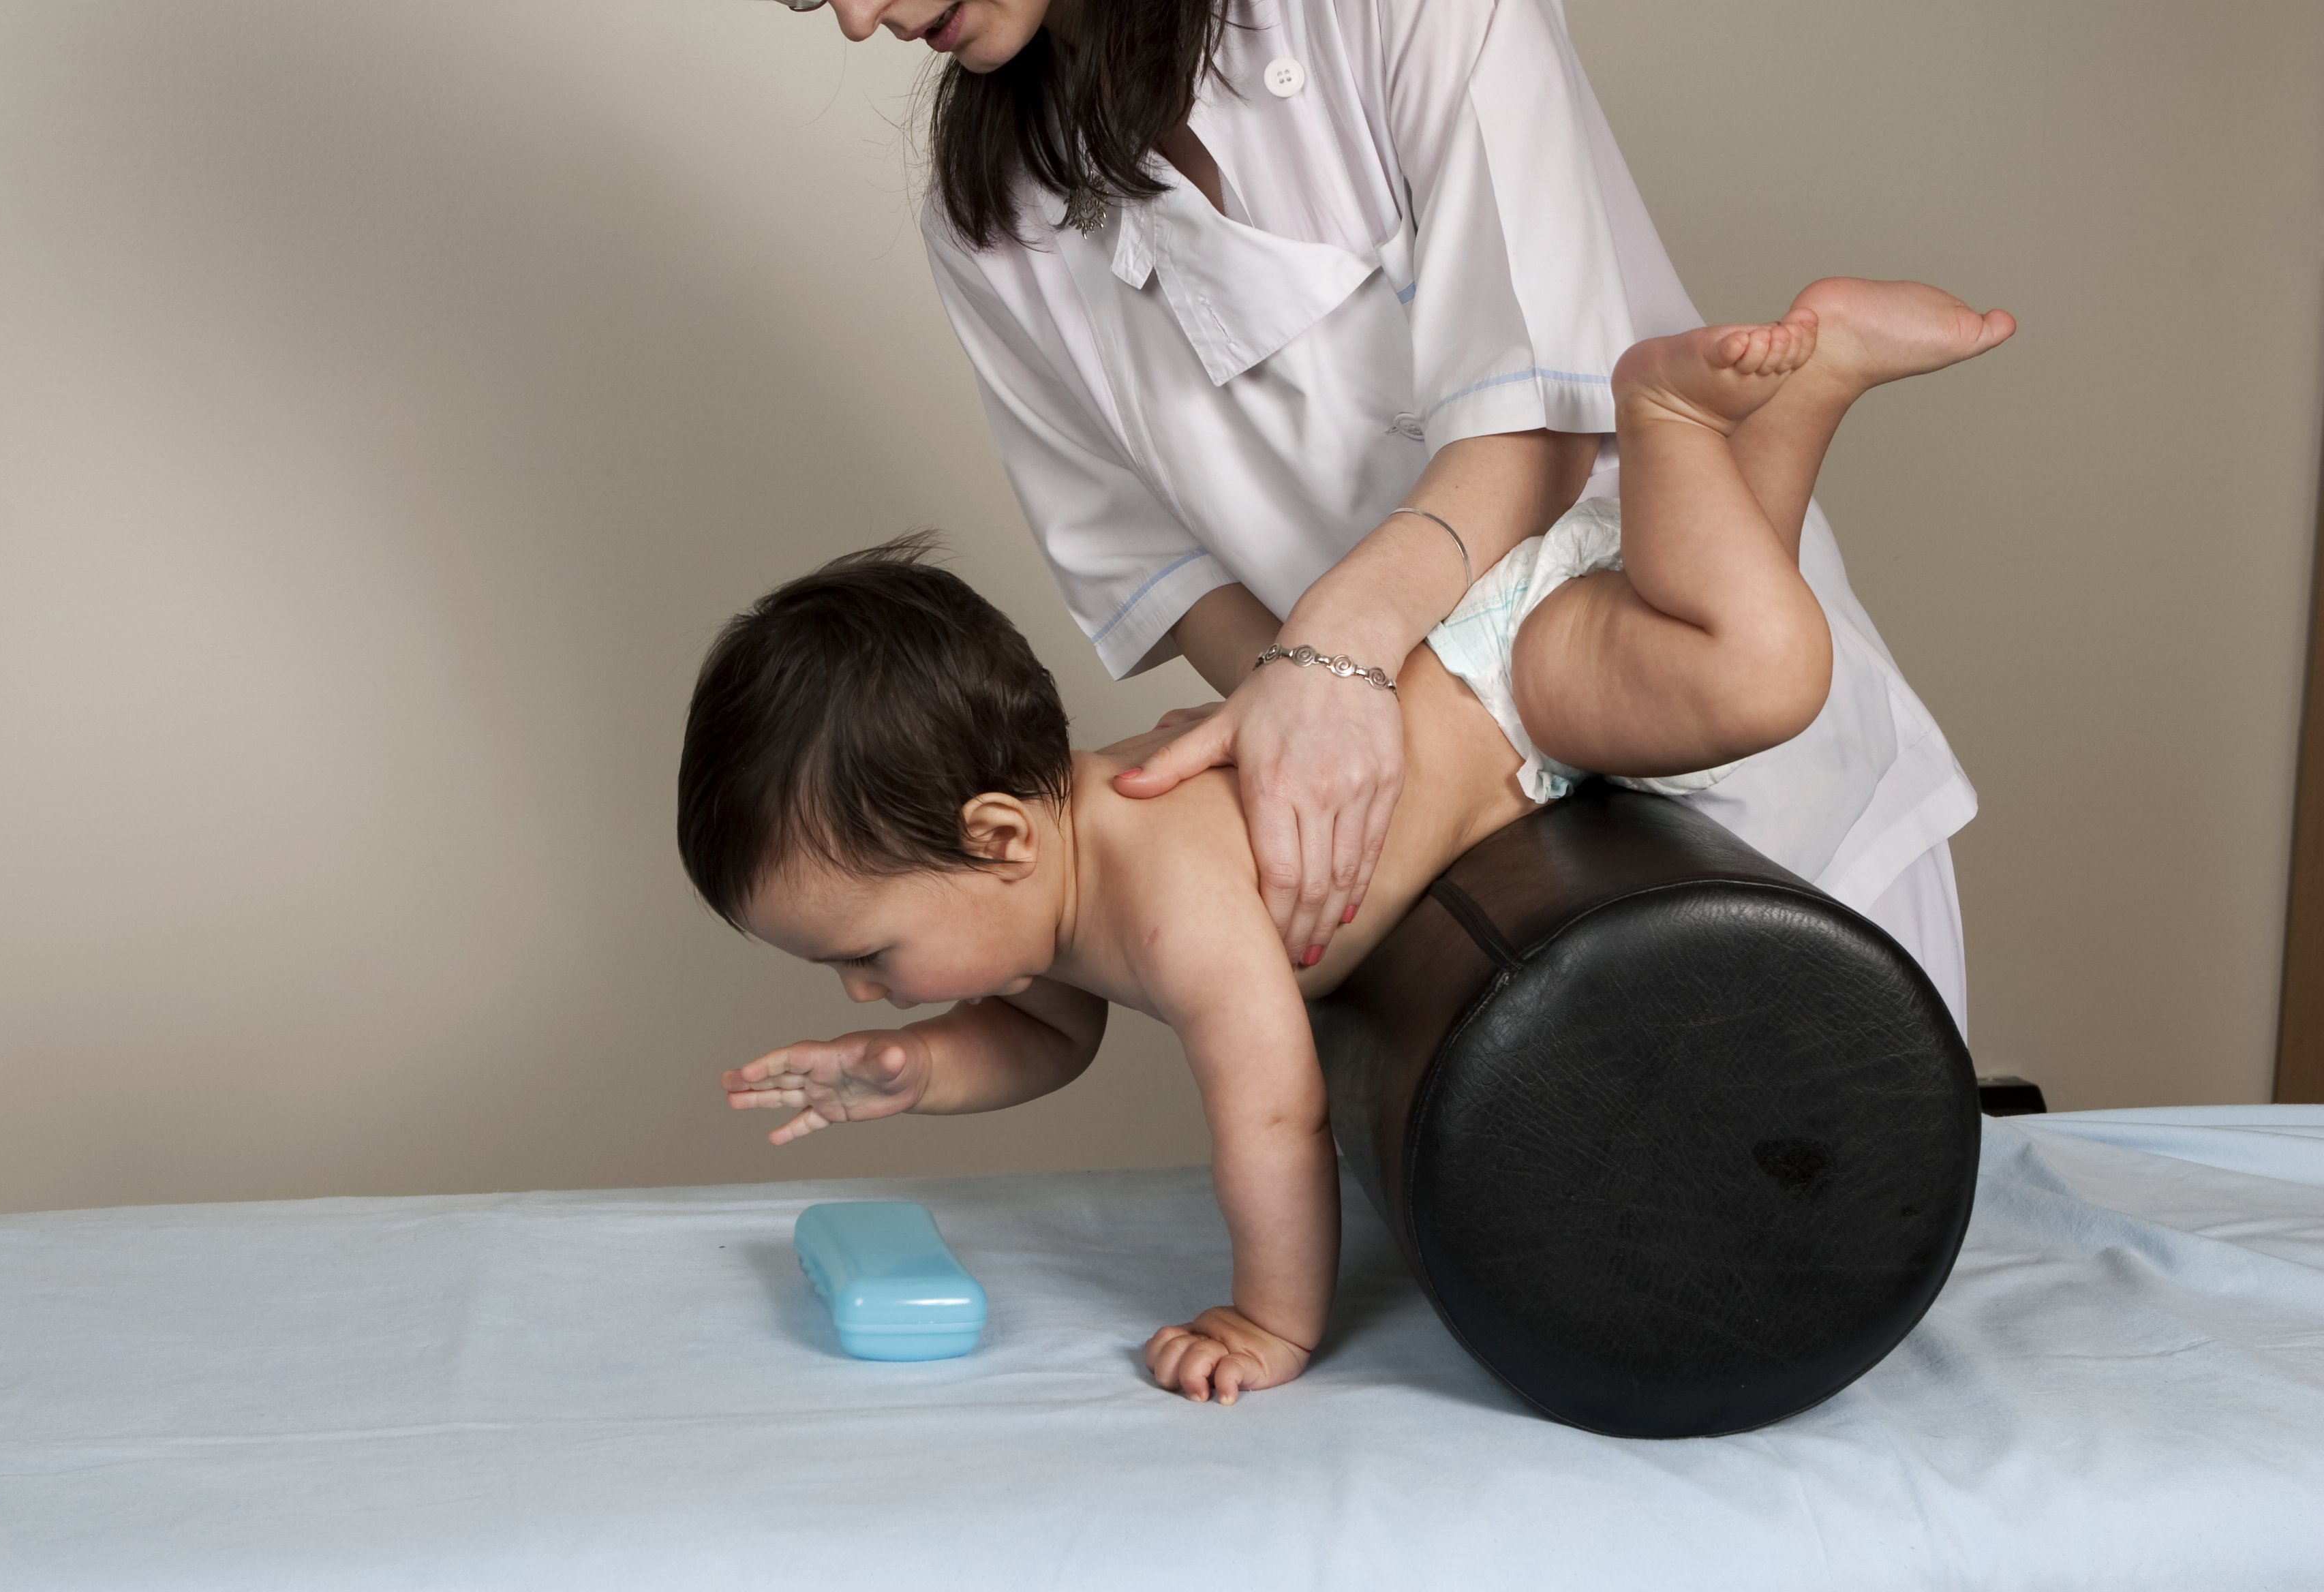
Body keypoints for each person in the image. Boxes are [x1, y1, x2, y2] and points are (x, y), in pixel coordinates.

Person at [679, 280, 2013, 1404]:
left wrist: (1269, 1318)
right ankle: (1806, 391)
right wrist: (911, 1068)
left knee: (1764, 676)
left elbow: (1275, 1111)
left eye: (869, 953)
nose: (862, 989)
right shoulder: (1057, 889)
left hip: (1502, 681)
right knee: (1735, 606)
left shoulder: (1169, 892)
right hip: (1503, 711)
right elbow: (1045, 1040)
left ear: (997, 836)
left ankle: (1663, 414)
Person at [777, 0, 1987, 1028]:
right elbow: (1163, 571)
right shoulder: (992, 220)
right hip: (1458, 822)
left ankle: (1788, 400)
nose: (859, 19)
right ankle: (1797, 402)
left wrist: (1336, 663)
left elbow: (1537, 414)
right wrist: (1311, 750)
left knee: (1840, 1158)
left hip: (1716, 746)